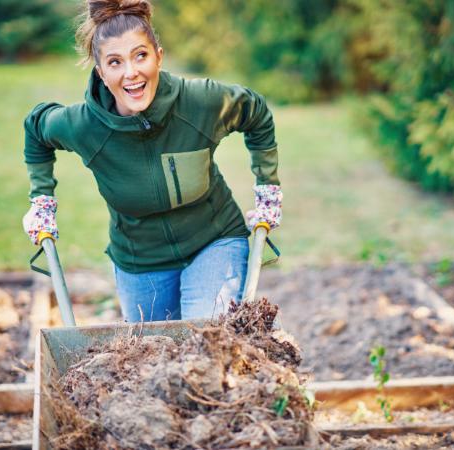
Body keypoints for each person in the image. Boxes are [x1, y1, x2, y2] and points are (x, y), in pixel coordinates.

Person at [22, 0, 282, 322]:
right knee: (151, 356)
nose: (131, 73)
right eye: (115, 62)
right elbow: (36, 128)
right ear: (101, 73)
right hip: (140, 261)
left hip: (214, 241)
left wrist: (267, 187)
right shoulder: (85, 126)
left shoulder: (198, 103)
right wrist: (42, 200)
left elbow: (255, 111)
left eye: (140, 55)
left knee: (207, 339)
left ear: (158, 55)